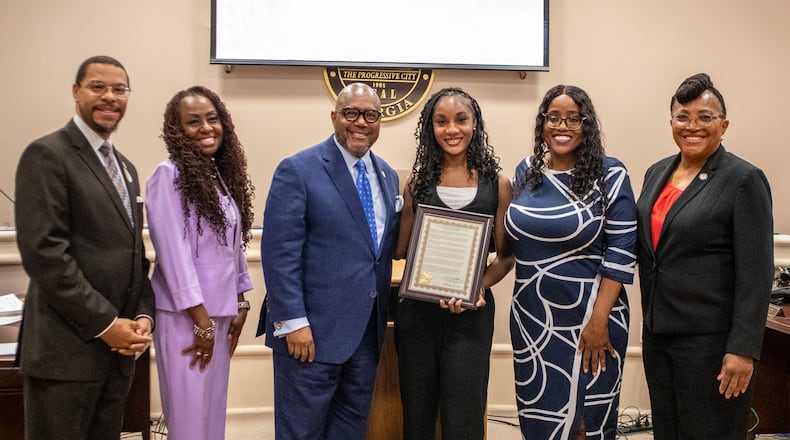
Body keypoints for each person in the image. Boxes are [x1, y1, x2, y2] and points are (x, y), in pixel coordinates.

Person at [13, 55, 155, 439]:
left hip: (116, 357)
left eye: (120, 89)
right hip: (66, 356)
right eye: (98, 87)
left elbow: (132, 256)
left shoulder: (125, 167)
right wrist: (107, 325)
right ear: (76, 92)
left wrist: (143, 316)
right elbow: (45, 256)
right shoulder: (47, 155)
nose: (110, 97)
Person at [257, 82, 401, 439]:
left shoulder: (388, 175)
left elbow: (376, 253)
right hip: (310, 335)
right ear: (334, 116)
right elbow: (279, 253)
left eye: (371, 115)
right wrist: (292, 323)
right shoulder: (299, 169)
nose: (361, 122)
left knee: (349, 430)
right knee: (301, 432)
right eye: (351, 113)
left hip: (366, 335)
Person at [636, 73, 773, 439]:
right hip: (659, 335)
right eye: (683, 116)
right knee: (668, 430)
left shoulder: (744, 179)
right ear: (671, 123)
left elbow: (757, 274)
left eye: (705, 117)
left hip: (711, 345)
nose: (692, 126)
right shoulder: (655, 174)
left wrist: (743, 351)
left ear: (723, 125)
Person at [505, 85, 637, 439]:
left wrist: (598, 321)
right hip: (532, 318)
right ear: (542, 123)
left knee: (585, 423)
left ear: (587, 124)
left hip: (591, 319)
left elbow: (621, 254)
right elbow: (510, 246)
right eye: (553, 117)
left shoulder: (610, 175)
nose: (562, 126)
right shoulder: (526, 171)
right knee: (540, 421)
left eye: (573, 118)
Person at [394, 87, 514, 439]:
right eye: (441, 121)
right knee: (417, 411)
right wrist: (402, 208)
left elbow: (506, 257)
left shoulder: (499, 185)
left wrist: (479, 287)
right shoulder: (417, 184)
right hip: (418, 314)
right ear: (430, 128)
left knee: (464, 414)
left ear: (475, 124)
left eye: (461, 120)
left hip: (471, 315)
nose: (452, 129)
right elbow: (401, 251)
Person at [146, 86, 255, 439]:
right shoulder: (168, 175)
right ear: (177, 131)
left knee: (211, 417)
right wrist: (201, 321)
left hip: (218, 315)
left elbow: (231, 244)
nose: (207, 127)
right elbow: (173, 255)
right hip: (186, 319)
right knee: (190, 421)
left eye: (213, 118)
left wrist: (240, 299)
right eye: (193, 122)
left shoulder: (215, 174)